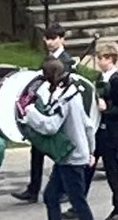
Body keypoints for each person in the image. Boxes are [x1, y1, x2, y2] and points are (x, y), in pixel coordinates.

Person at [24, 58, 99, 220]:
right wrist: (91, 151)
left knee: (78, 202)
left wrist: (29, 113)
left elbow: (50, 126)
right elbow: (88, 125)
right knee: (50, 196)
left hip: (71, 159)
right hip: (70, 156)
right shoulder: (73, 94)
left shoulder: (64, 99)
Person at [13, 24, 76, 202]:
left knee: (58, 150)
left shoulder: (67, 61)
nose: (50, 42)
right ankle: (33, 189)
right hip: (44, 107)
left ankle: (64, 189)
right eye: (47, 38)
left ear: (62, 39)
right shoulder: (46, 59)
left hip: (57, 110)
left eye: (54, 38)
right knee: (37, 150)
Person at [90, 42, 118, 220]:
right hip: (99, 131)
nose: (99, 62)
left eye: (102, 58)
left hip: (112, 134)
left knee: (113, 171)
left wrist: (107, 110)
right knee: (87, 168)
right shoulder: (101, 78)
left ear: (111, 59)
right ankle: (77, 206)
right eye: (99, 58)